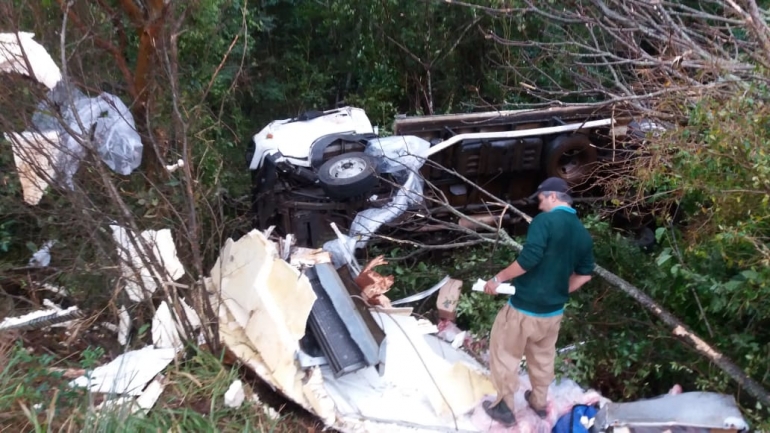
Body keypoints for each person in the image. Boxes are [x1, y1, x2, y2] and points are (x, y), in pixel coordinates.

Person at [481, 177, 595, 426]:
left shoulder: (545, 221)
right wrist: (559, 290)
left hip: (524, 308)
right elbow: (585, 273)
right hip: (553, 313)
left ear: (553, 196)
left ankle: (504, 407)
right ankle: (539, 403)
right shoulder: (582, 233)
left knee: (504, 353)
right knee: (543, 358)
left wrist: (497, 279)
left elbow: (529, 258)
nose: (539, 205)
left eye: (541, 198)